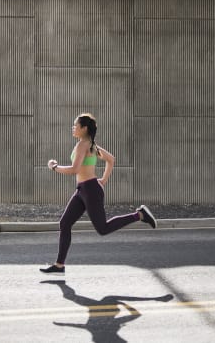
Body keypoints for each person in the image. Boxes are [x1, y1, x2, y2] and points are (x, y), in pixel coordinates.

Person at [40, 113, 157, 275]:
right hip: (83, 190)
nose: (73, 128)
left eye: (76, 125)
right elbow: (111, 159)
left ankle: (140, 215)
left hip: (90, 190)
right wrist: (103, 180)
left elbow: (74, 169)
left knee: (103, 228)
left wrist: (54, 167)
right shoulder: (90, 145)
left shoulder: (84, 145)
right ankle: (59, 265)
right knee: (65, 223)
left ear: (84, 128)